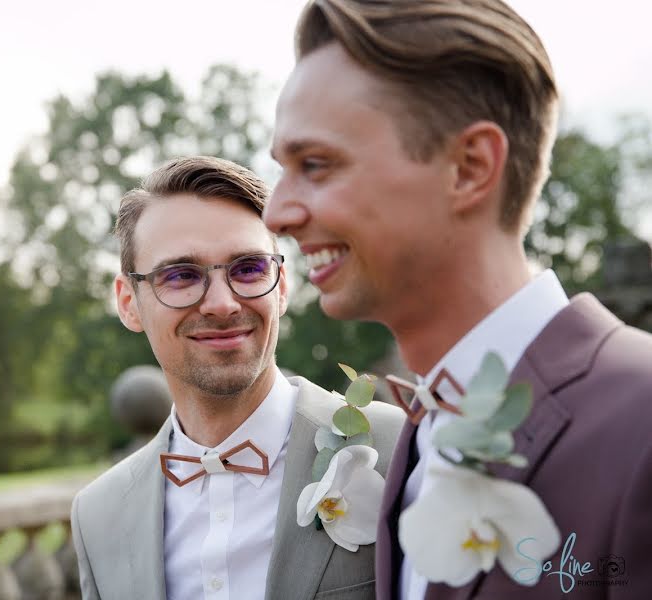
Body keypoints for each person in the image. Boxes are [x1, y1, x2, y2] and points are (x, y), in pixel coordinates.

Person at [264, 1, 652, 599]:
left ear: (470, 168)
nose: (277, 212)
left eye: (315, 164)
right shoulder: (413, 438)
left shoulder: (641, 421)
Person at [70, 156, 405, 600]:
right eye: (181, 275)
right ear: (129, 302)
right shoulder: (97, 515)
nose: (223, 304)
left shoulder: (397, 448)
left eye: (248, 269)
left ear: (282, 286)